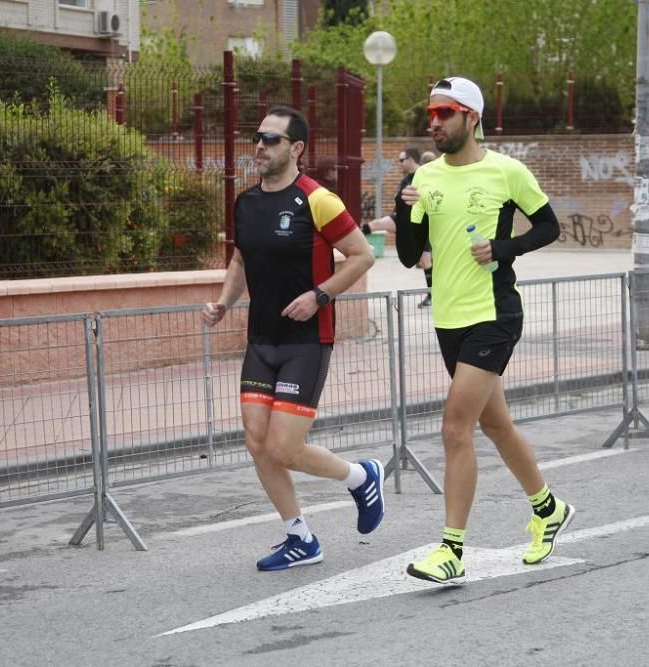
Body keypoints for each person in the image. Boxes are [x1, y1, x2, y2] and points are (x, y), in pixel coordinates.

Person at [392, 76, 573, 585]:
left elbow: (548, 227)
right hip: (447, 318)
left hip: (493, 314)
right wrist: (405, 213)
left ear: (471, 117)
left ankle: (452, 549)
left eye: (444, 113)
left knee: (455, 427)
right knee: (496, 426)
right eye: (430, 115)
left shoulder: (506, 171)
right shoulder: (425, 179)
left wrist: (503, 248)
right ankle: (548, 508)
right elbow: (410, 256)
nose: (434, 123)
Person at [201, 106, 385, 571]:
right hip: (261, 341)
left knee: (285, 447)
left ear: (296, 148)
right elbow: (241, 261)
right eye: (258, 137)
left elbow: (362, 256)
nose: (259, 146)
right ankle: (299, 537)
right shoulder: (246, 202)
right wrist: (223, 301)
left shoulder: (318, 199)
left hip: (306, 341)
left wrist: (319, 296)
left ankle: (361, 477)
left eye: (271, 139)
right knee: (257, 441)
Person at [362, 147, 435, 307]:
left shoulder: (424, 176)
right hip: (404, 220)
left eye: (402, 160)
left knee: (425, 259)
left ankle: (433, 295)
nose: (400, 163)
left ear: (410, 159)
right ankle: (356, 246)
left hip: (422, 224)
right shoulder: (406, 179)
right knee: (376, 224)